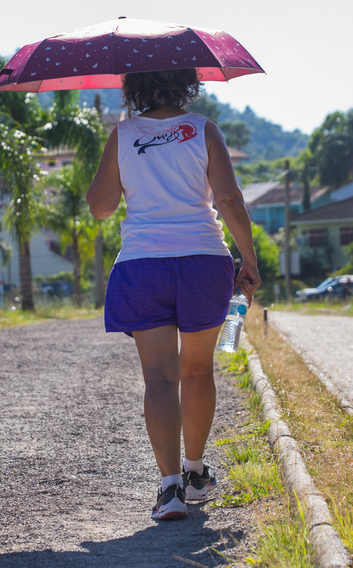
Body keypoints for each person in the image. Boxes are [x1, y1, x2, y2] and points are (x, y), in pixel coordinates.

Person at [86, 68, 261, 521]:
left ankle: (169, 491)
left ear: (134, 88)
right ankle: (196, 472)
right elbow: (228, 200)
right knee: (198, 372)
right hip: (204, 260)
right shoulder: (204, 130)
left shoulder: (122, 134)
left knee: (160, 379)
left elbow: (101, 207)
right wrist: (250, 261)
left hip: (143, 264)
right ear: (187, 82)